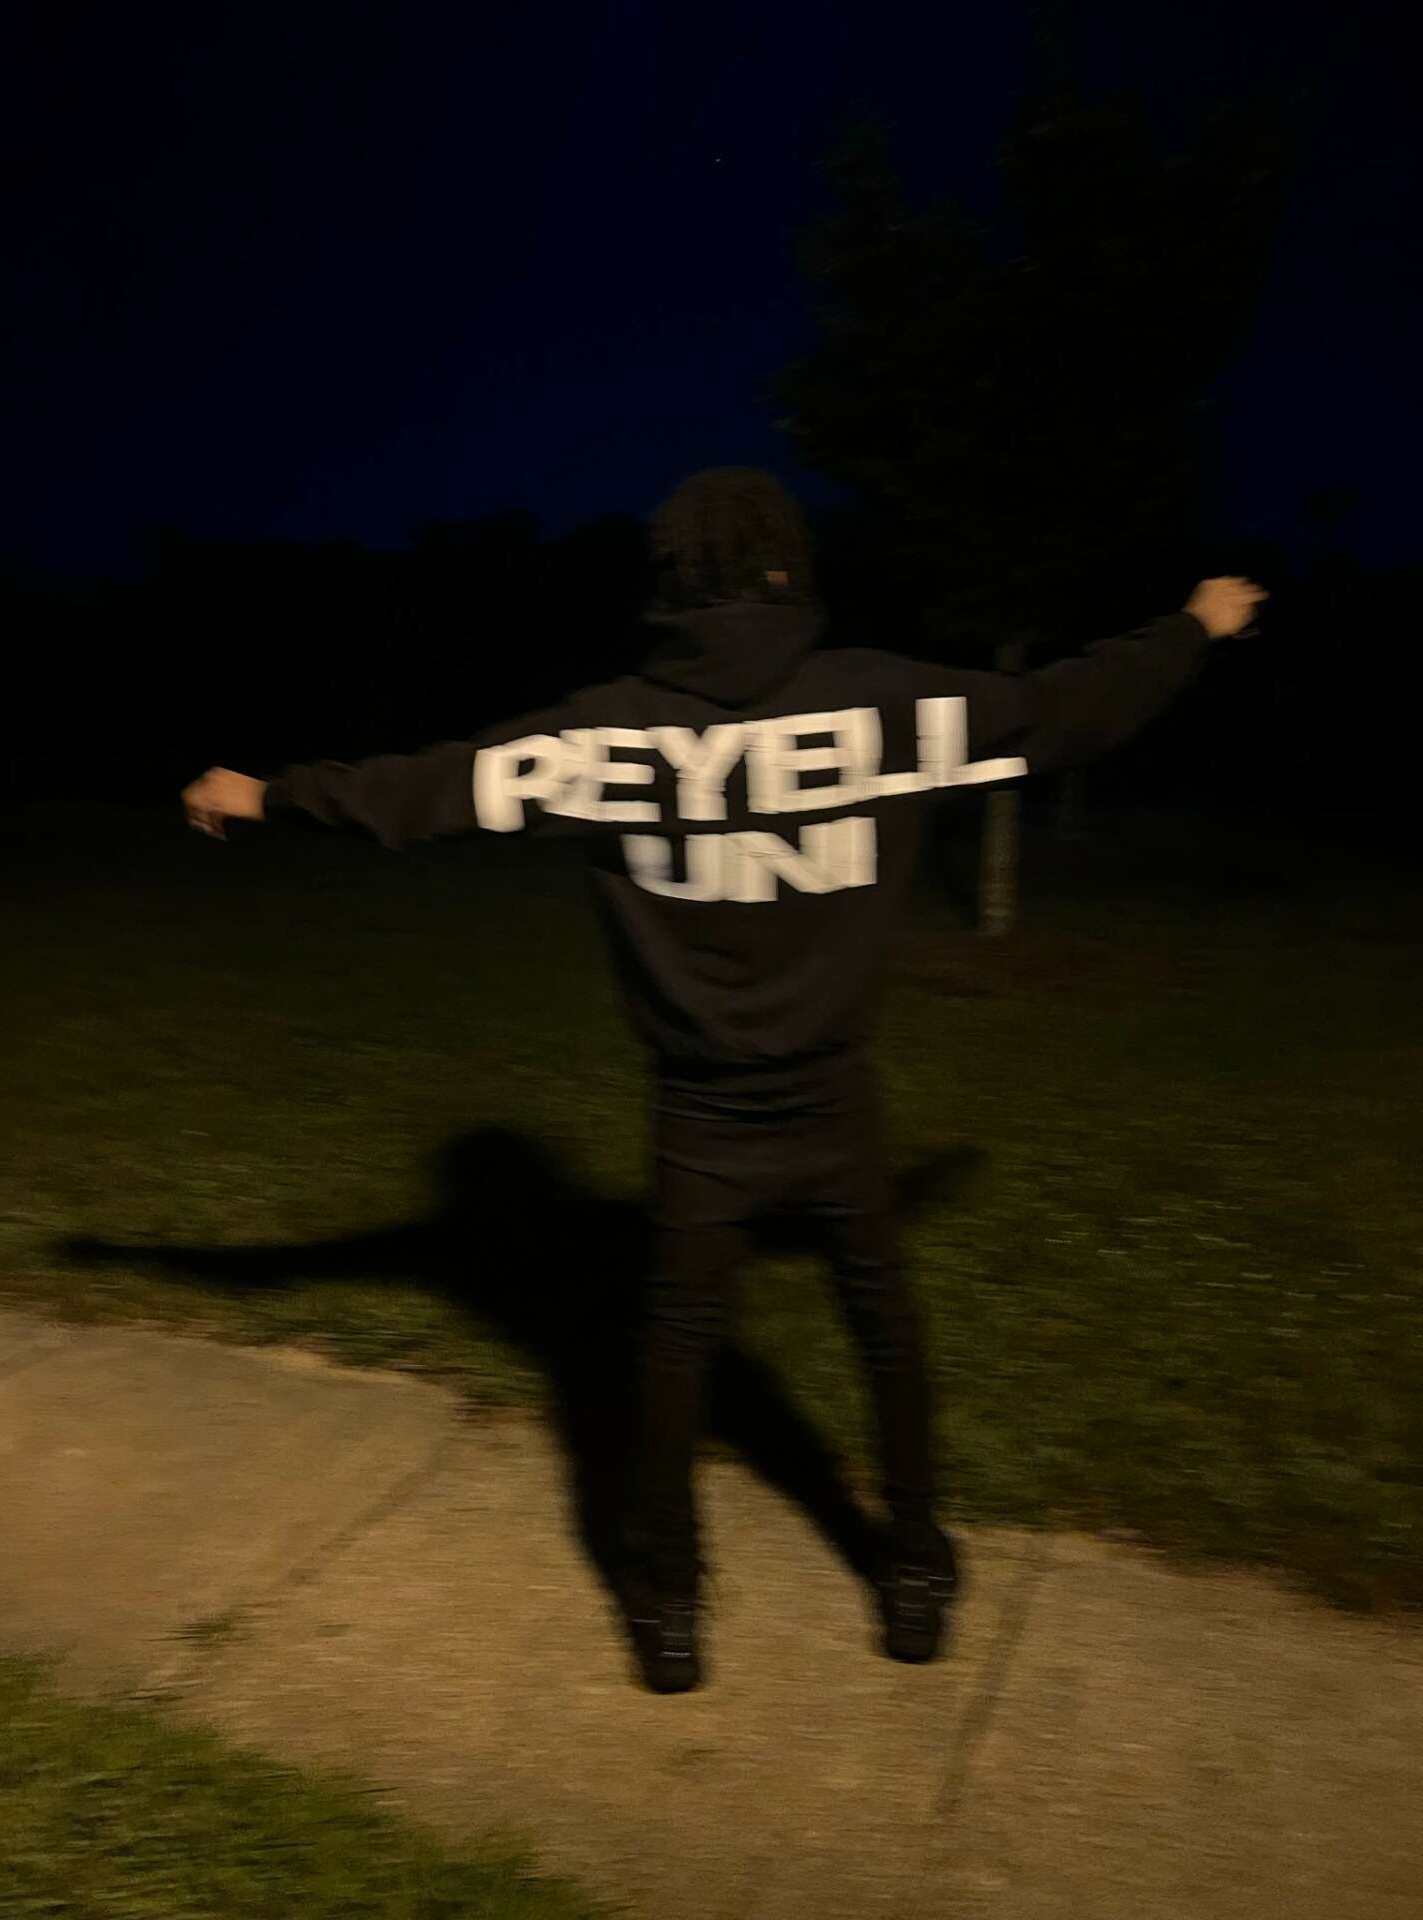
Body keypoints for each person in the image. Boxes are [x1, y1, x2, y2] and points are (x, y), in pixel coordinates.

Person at [183, 467, 1266, 1695]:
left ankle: (666, 1612)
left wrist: (270, 795)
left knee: (675, 1349)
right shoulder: (885, 703)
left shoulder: (604, 736)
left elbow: (426, 791)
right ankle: (914, 1575)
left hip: (700, 1118)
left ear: (669, 582)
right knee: (882, 1327)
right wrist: (1195, 625)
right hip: (836, 1104)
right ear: (790, 568)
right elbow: (1068, 708)